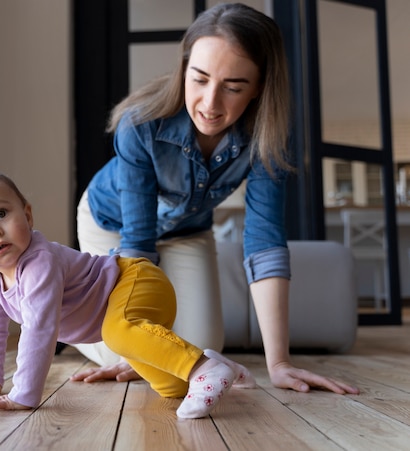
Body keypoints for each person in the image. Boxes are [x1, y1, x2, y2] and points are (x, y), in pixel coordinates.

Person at [71, 3, 359, 395]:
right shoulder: (139, 124)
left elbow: (265, 242)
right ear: (184, 67)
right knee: (135, 350)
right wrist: (135, 346)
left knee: (205, 344)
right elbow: (138, 242)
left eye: (234, 87)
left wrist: (279, 363)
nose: (209, 103)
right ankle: (64, 313)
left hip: (187, 229)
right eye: (199, 79)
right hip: (113, 224)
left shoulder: (268, 136)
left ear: (258, 87)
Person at [0, 167, 258, 419]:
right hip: (119, 302)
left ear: (27, 215)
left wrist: (22, 394)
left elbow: (39, 329)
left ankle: (204, 369)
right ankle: (211, 364)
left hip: (134, 278)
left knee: (117, 332)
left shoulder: (40, 262)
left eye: (1, 214)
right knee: (171, 386)